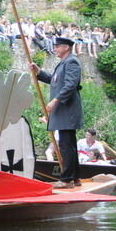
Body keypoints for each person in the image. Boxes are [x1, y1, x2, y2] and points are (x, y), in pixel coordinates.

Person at [30, 37, 83, 188]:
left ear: (66, 47)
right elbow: (54, 80)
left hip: (67, 109)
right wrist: (39, 72)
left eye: (58, 46)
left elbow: (70, 85)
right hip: (63, 111)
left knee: (67, 145)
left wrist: (55, 100)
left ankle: (66, 179)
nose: (55, 48)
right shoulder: (63, 63)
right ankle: (75, 177)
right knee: (69, 144)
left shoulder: (72, 62)